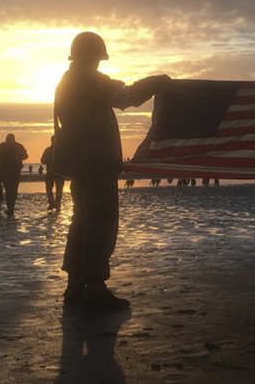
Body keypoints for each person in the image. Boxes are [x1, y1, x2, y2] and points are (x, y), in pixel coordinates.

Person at [53, 31, 170, 310]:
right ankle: (94, 287)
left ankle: (75, 285)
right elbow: (125, 96)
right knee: (99, 224)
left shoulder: (66, 82)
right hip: (96, 162)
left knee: (82, 221)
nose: (98, 63)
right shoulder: (89, 80)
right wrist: (156, 82)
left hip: (81, 163)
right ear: (93, 56)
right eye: (96, 57)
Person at [0, 134, 28, 216]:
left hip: (10, 172)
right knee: (12, 191)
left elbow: (25, 156)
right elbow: (25, 156)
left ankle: (10, 208)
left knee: (10, 191)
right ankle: (11, 208)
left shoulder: (3, 146)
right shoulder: (16, 146)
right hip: (9, 172)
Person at [41, 134, 65, 211]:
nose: (55, 142)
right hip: (50, 173)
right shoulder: (48, 150)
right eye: (53, 140)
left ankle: (57, 205)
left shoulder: (62, 150)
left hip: (59, 173)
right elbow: (43, 160)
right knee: (49, 189)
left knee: (59, 190)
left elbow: (66, 161)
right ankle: (52, 204)